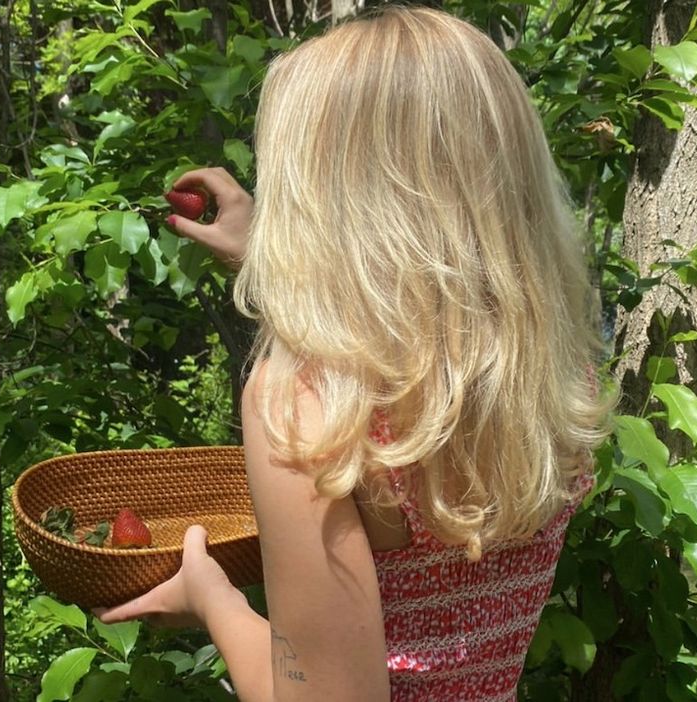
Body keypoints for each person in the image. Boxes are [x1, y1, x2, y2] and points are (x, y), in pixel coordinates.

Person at [95, 6, 613, 701]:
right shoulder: (551, 377)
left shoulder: (302, 406)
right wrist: (270, 271)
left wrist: (213, 599)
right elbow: (415, 338)